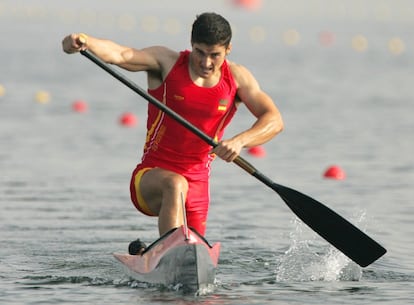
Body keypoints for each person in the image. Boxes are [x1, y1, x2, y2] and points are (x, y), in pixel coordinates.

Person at [62, 12, 283, 253]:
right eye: (200, 52)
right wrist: (85, 41)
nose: (206, 63)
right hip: (150, 178)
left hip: (198, 186)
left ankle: (160, 253)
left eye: (214, 55)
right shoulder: (166, 63)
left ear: (228, 49)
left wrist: (241, 141)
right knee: (176, 184)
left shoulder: (238, 79)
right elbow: (122, 55)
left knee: (195, 254)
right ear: (191, 44)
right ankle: (170, 253)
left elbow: (274, 119)